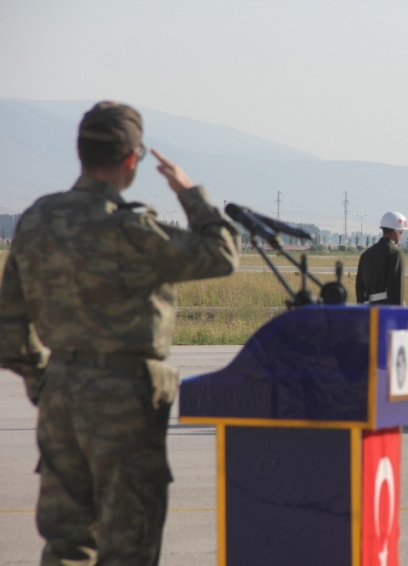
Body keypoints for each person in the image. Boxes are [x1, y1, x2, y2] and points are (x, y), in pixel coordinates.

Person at [0, 101, 239, 564]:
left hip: (61, 393)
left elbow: (8, 325)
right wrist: (188, 191)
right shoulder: (129, 227)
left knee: (67, 543)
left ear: (81, 152)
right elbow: (222, 253)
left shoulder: (37, 220)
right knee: (128, 543)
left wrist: (43, 381)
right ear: (133, 158)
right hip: (124, 398)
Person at [356, 211, 407, 305]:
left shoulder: (366, 254)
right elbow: (396, 289)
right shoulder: (395, 253)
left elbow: (359, 288)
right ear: (395, 231)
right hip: (385, 309)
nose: (402, 235)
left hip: (368, 310)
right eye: (401, 231)